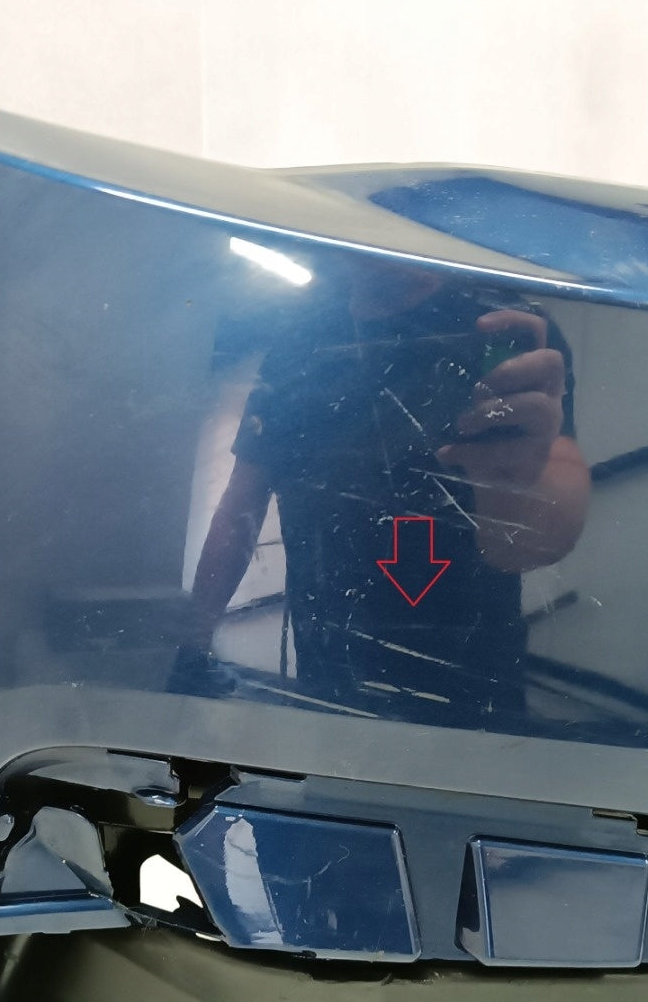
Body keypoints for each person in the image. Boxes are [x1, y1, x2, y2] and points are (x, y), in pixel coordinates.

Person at [180, 260, 590, 724]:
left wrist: (516, 479)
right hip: (329, 685)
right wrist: (192, 645)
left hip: (475, 694)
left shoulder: (499, 329)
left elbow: (536, 542)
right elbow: (239, 510)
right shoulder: (300, 346)